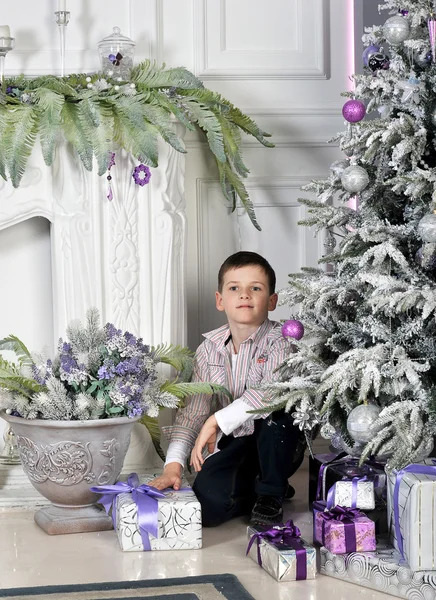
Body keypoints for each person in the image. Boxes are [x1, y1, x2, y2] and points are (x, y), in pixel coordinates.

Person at [150, 251, 301, 527]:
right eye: (234, 288)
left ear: (271, 300)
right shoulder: (208, 350)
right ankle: (262, 487)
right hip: (237, 441)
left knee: (278, 417)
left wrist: (217, 419)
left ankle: (270, 492)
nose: (244, 295)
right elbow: (193, 414)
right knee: (208, 508)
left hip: (278, 440)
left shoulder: (281, 342)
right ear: (220, 300)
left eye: (255, 288)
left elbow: (271, 392)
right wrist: (173, 464)